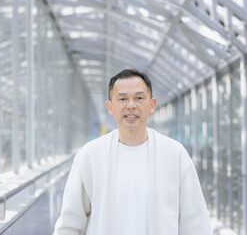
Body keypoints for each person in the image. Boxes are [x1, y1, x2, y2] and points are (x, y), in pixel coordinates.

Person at [54, 69, 213, 235]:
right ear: (110, 107)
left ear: (151, 105)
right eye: (122, 99)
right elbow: (70, 224)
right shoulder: (90, 156)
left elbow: (196, 223)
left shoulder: (175, 155)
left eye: (139, 98)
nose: (131, 105)